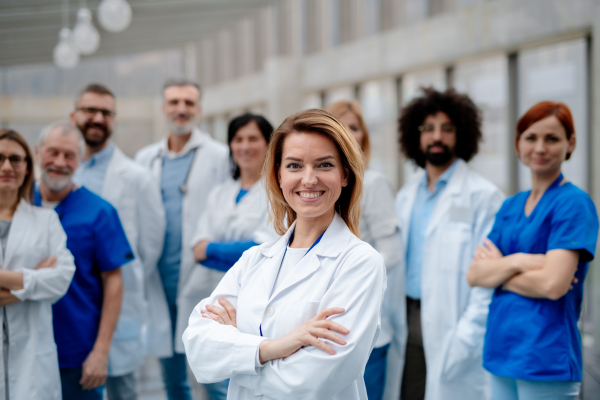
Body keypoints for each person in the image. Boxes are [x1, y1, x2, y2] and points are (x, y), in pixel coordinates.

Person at [182, 109, 386, 400]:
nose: (309, 179)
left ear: (344, 174)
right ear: (277, 175)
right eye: (294, 166)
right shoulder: (254, 260)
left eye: (324, 164)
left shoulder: (361, 264)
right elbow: (199, 348)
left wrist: (238, 351)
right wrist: (275, 347)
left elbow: (313, 381)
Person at [467, 101, 599, 400]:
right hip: (501, 353)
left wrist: (499, 270)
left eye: (551, 139)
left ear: (570, 144)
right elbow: (474, 274)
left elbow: (552, 285)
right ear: (518, 144)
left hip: (545, 359)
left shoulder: (573, 204)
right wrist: (522, 261)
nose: (540, 147)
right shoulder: (510, 206)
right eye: (531, 138)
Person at [395, 88, 504, 400]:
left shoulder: (483, 196)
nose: (436, 137)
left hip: (455, 319)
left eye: (446, 129)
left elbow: (490, 276)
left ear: (463, 134)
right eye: (428, 129)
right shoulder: (406, 196)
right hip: (407, 316)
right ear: (415, 137)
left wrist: (468, 336)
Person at [70, 83, 166, 400]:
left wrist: (127, 276)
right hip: (73, 304)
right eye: (89, 111)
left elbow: (150, 245)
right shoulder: (61, 173)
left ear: (114, 120)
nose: (97, 118)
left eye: (106, 113)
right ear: (74, 116)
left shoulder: (136, 177)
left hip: (121, 301)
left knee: (122, 391)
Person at [135, 78, 229, 400]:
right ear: (163, 108)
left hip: (202, 281)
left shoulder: (220, 155)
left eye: (188, 103)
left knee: (215, 378)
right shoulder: (146, 159)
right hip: (160, 280)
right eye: (174, 102)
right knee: (173, 379)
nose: (181, 109)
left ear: (199, 110)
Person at [33, 121, 130, 400]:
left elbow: (114, 282)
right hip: (21, 343)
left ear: (80, 160)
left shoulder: (100, 212)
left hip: (76, 350)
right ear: (38, 153)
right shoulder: (19, 204)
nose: (60, 162)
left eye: (69, 155)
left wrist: (100, 352)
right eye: (52, 153)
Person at [326, 100, 403, 400]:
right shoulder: (320, 186)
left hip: (365, 324)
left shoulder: (374, 183)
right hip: (328, 325)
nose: (347, 133)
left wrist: (343, 279)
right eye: (338, 126)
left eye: (354, 128)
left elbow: (392, 254)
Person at [0, 129, 75, 400]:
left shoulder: (46, 221)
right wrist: (34, 280)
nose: (7, 166)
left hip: (32, 362)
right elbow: (45, 282)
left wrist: (5, 279)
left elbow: (61, 280)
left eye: (15, 159)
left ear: (27, 167)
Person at [192, 113, 273, 273]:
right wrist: (239, 252)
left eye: (253, 139)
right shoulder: (219, 193)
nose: (244, 147)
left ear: (269, 144)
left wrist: (210, 249)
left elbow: (266, 250)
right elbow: (197, 248)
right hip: (207, 288)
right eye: (238, 140)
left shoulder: (279, 194)